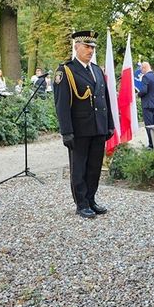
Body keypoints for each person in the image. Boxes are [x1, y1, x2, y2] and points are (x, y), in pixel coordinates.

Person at [53, 30, 115, 219]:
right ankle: (81, 203)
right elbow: (61, 104)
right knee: (79, 167)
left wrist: (109, 124)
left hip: (98, 127)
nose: (90, 50)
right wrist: (66, 131)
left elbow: (105, 100)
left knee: (94, 166)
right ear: (76, 46)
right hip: (79, 129)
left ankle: (91, 198)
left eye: (93, 47)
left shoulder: (96, 70)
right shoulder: (66, 71)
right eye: (87, 47)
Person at [139, 61, 154, 149]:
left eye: (141, 69)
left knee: (149, 125)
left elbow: (144, 90)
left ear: (144, 68)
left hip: (147, 104)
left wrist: (138, 94)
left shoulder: (145, 77)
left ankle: (151, 145)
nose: (141, 71)